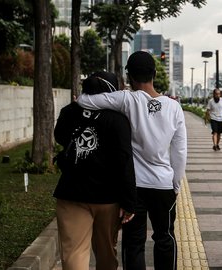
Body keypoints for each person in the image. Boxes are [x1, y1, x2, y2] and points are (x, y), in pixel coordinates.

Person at [77, 51, 187, 270]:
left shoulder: (127, 99)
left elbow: (84, 100)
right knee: (164, 237)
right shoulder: (174, 106)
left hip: (133, 187)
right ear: (154, 74)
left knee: (133, 242)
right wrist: (175, 183)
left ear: (129, 77)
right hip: (163, 185)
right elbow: (180, 151)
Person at [54, 71, 137, 270]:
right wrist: (129, 202)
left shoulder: (69, 111)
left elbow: (60, 137)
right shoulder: (118, 119)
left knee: (74, 253)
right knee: (106, 254)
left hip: (71, 193)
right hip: (108, 198)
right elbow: (124, 161)